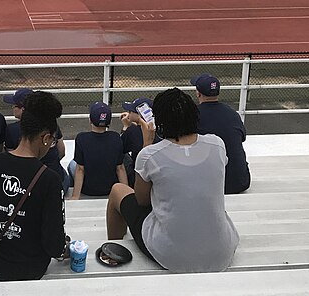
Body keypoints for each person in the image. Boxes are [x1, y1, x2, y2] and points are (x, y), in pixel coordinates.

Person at [105, 88, 239, 273]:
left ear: (160, 122)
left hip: (171, 255)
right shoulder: (217, 144)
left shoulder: (150, 155)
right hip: (222, 252)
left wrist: (147, 144)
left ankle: (113, 249)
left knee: (117, 190)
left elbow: (142, 200)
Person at [0, 91, 69, 281]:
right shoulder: (50, 179)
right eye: (52, 141)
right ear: (46, 138)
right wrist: (65, 248)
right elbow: (53, 245)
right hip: (31, 267)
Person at [192, 74, 250, 194]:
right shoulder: (232, 114)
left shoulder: (193, 115)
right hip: (240, 181)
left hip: (211, 184)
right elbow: (241, 138)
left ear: (198, 93)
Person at [4, 88, 70, 193]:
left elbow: (10, 160)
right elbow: (62, 151)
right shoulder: (53, 126)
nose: (12, 108)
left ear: (23, 109)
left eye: (15, 105)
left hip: (25, 184)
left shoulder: (11, 130)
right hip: (56, 180)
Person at [68, 102, 127, 199]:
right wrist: (126, 193)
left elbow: (80, 169)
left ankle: (73, 189)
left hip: (88, 190)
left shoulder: (82, 138)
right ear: (109, 122)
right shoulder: (116, 137)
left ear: (90, 120)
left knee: (72, 164)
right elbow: (120, 168)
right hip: (110, 189)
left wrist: (75, 196)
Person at [119, 98, 161, 186]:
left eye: (131, 111)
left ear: (139, 115)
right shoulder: (161, 129)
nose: (128, 113)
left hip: (138, 175)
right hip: (159, 173)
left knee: (122, 156)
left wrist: (125, 127)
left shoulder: (132, 131)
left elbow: (120, 147)